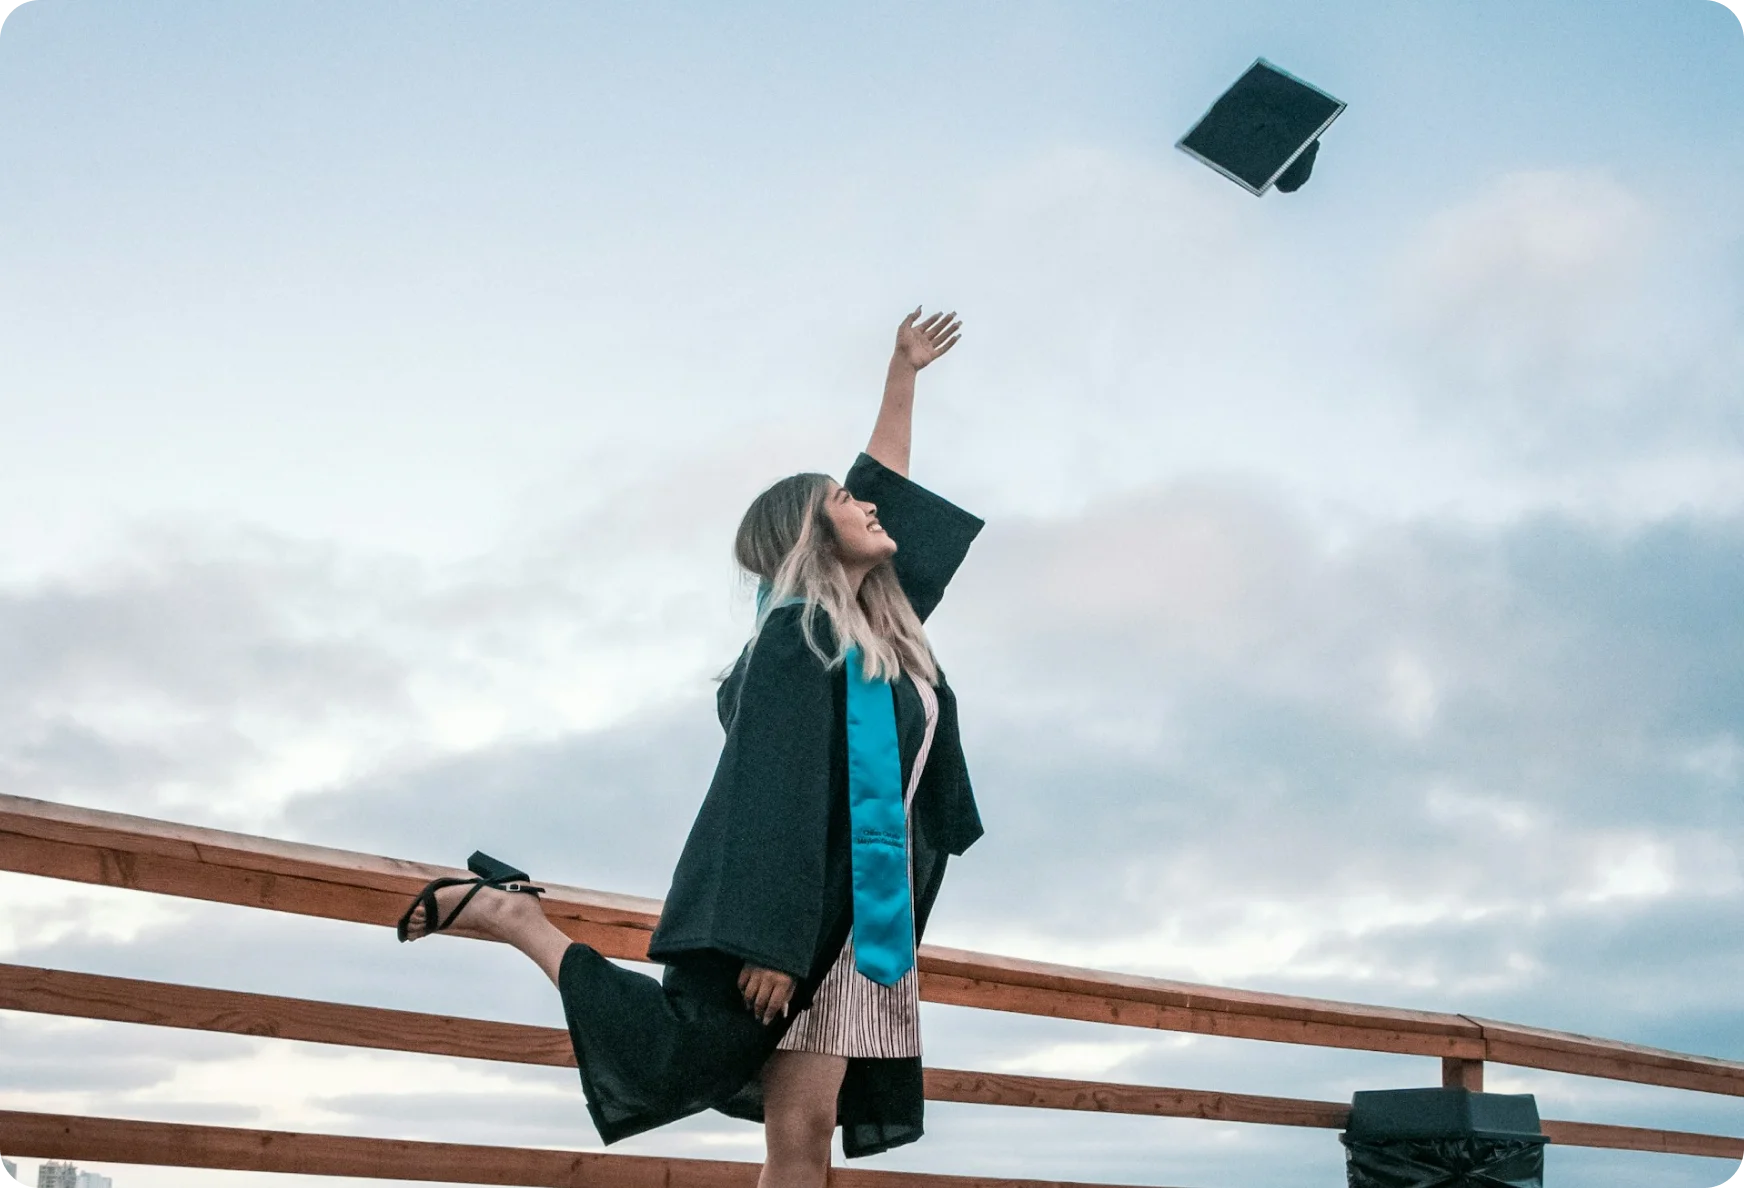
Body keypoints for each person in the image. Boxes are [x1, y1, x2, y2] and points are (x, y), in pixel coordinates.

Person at [397, 308, 985, 1187]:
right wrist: (772, 944)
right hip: (798, 915)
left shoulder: (885, 636)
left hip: (874, 919)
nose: (866, 505)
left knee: (807, 1125)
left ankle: (516, 916)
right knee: (679, 1055)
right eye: (841, 502)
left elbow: (885, 487)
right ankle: (517, 918)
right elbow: (771, 794)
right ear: (810, 537)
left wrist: (901, 373)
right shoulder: (801, 640)